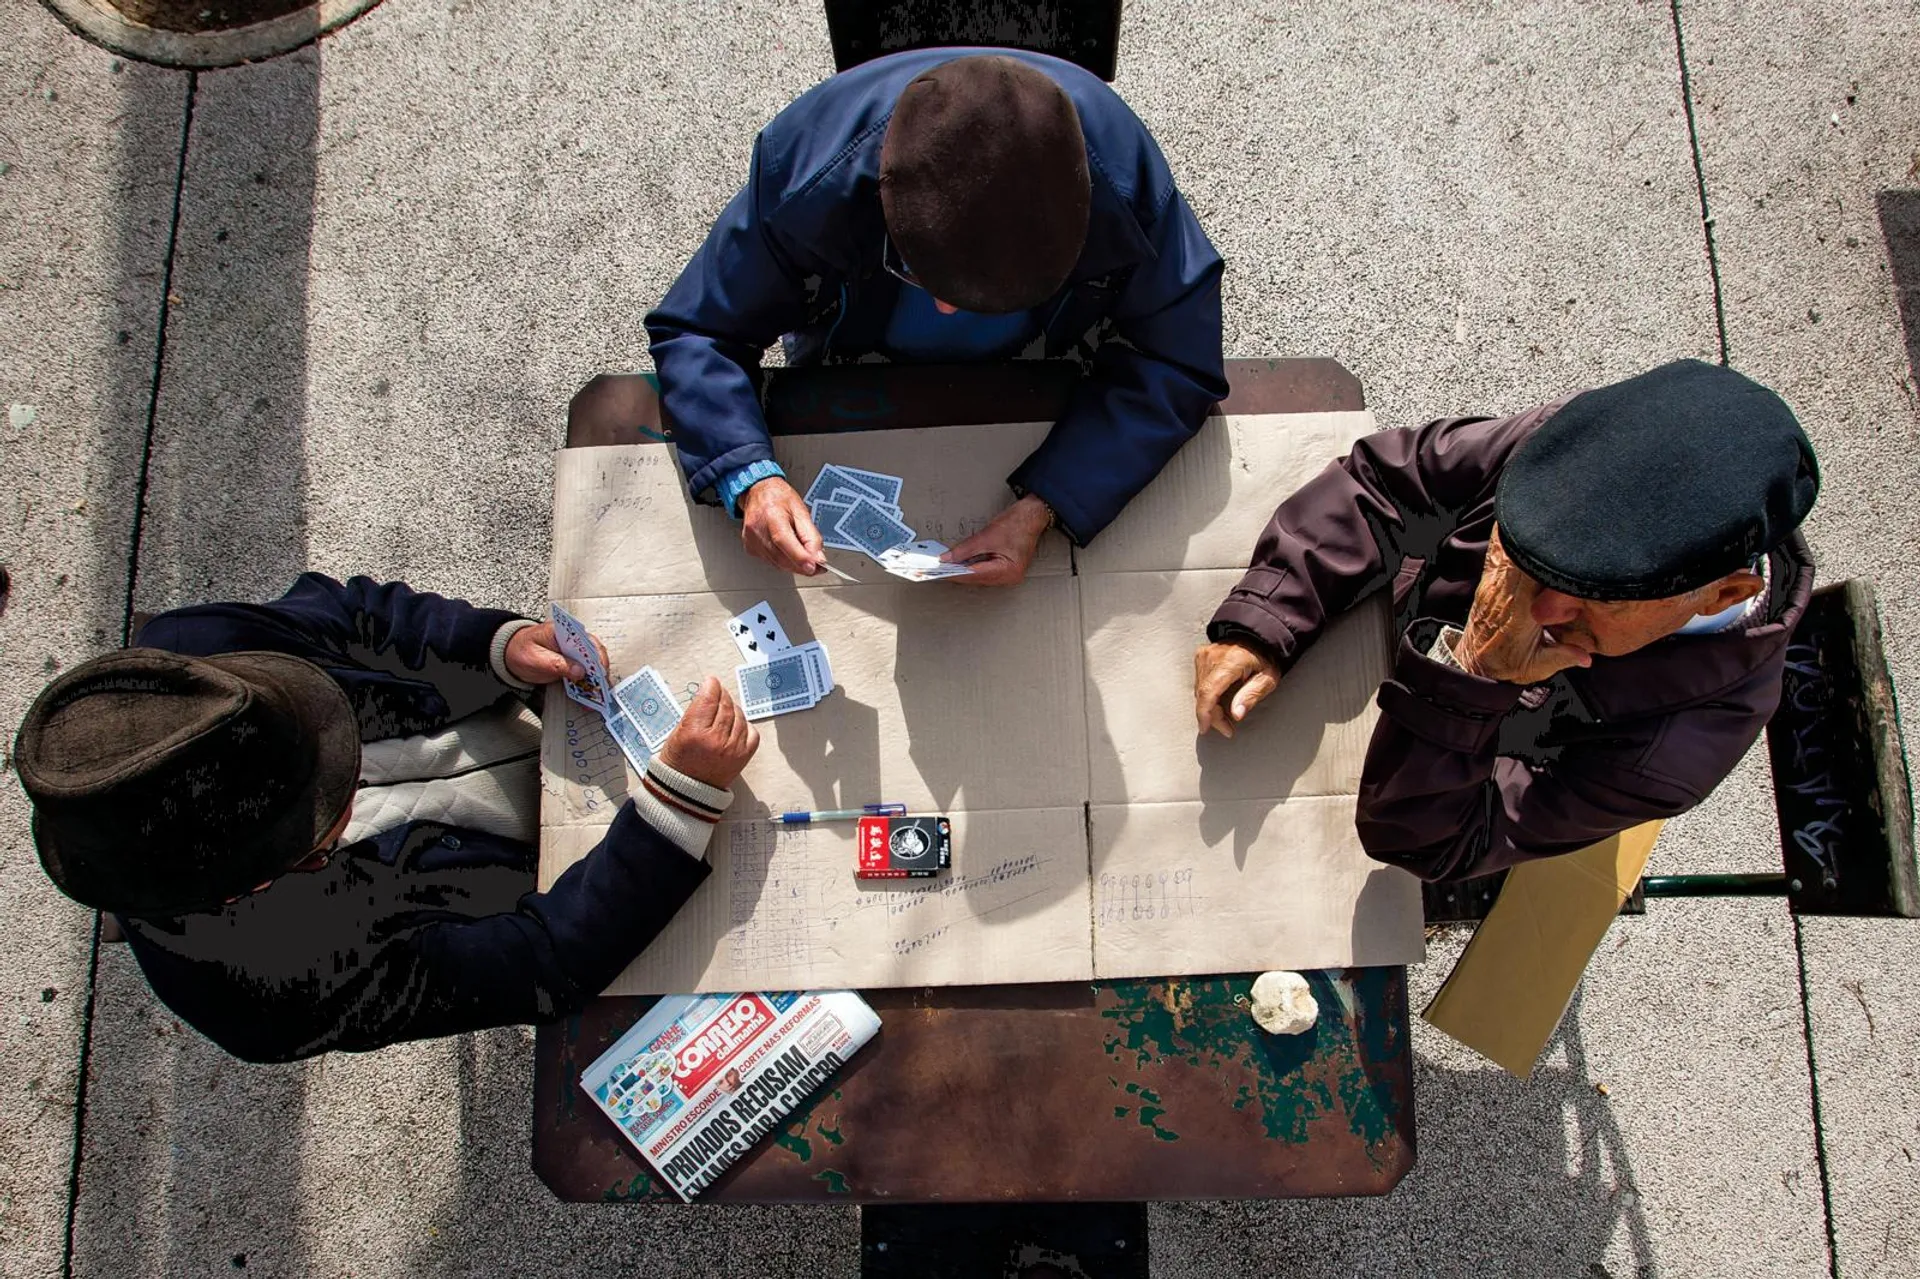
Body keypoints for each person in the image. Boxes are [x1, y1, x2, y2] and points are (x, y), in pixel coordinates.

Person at [13, 573, 758, 1063]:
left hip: (562, 731)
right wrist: (674, 808)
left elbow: (358, 617)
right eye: (316, 821)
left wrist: (494, 645)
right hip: (598, 875)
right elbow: (540, 963)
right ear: (237, 892)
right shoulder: (254, 997)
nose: (346, 767)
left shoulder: (190, 657)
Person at [1192, 359, 1821, 882]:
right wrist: (1270, 618)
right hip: (1371, 659)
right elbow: (1385, 484)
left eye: (1596, 595)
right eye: (1533, 560)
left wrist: (1475, 677)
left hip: (1417, 781)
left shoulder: (1677, 745)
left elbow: (1437, 845)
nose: (1543, 610)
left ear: (1722, 595)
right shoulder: (1559, 459)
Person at [647, 49, 1227, 586]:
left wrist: (1046, 504)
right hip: (852, 362)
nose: (946, 309)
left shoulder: (1126, 183)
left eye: (990, 297)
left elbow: (1178, 361)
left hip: (1039, 376)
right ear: (883, 199)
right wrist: (748, 476)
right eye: (919, 274)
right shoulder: (809, 172)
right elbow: (701, 328)